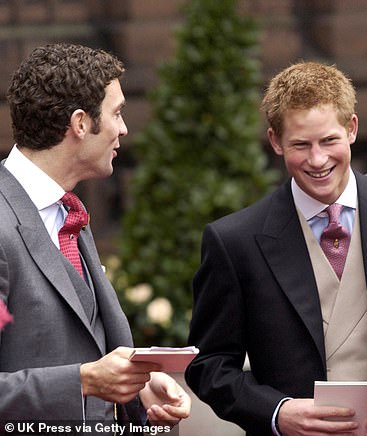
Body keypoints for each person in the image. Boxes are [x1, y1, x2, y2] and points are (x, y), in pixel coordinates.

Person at [186, 61, 367, 435]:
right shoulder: (235, 240)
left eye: (329, 140)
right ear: (275, 141)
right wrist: (277, 413)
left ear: (352, 129)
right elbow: (210, 365)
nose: (317, 160)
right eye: (301, 144)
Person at [0, 43, 191, 425]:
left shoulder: (69, 213)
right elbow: (81, 376)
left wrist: (136, 390)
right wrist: (83, 381)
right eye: (117, 113)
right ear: (80, 123)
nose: (124, 128)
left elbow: (89, 348)